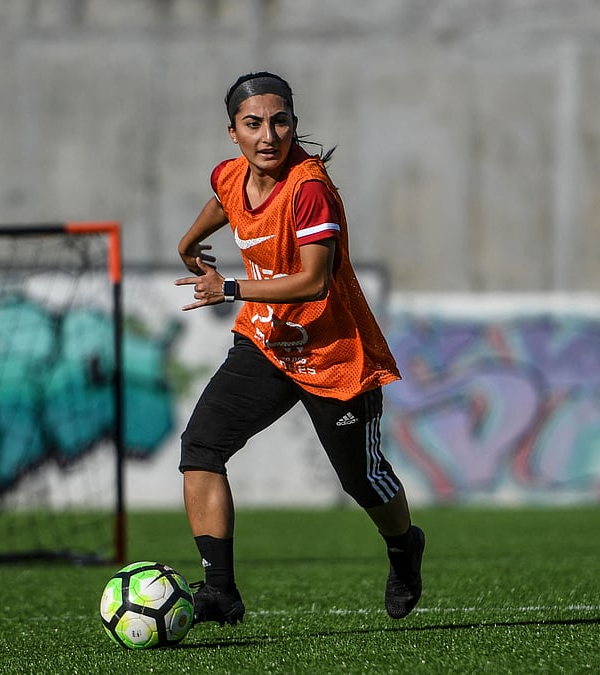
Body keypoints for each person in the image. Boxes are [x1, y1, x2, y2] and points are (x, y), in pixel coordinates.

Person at [174, 72, 424, 625]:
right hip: (266, 343)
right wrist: (188, 244)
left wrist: (229, 286)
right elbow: (224, 200)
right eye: (253, 123)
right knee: (201, 449)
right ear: (232, 132)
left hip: (333, 356)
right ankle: (220, 592)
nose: (268, 135)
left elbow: (314, 281)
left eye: (280, 120)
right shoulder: (231, 174)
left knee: (362, 479)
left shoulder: (309, 190)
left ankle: (405, 548)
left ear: (295, 124)